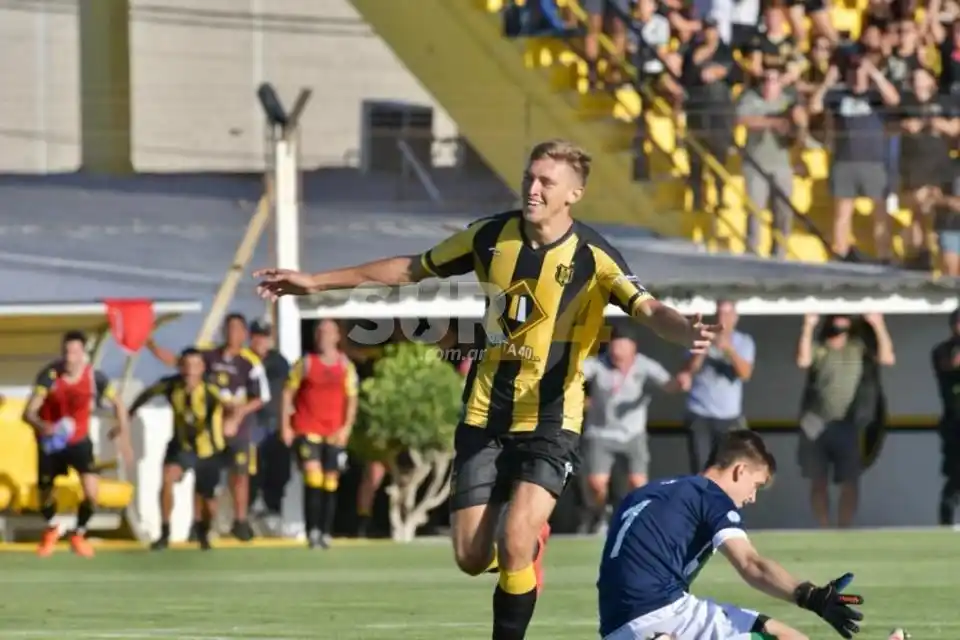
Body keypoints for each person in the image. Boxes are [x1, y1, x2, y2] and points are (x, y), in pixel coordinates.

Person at [254, 138, 721, 640]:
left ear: (573, 194)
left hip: (551, 419)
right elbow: (411, 269)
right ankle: (526, 541)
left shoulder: (594, 256)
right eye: (530, 177)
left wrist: (683, 330)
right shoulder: (490, 236)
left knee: (515, 540)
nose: (533, 188)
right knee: (472, 557)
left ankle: (521, 563)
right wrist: (317, 283)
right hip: (484, 416)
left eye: (547, 181)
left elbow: (650, 310)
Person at [596, 430, 865, 640]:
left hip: (614, 624)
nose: (752, 497)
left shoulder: (649, 491)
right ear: (739, 470)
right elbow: (751, 565)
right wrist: (810, 596)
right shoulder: (711, 496)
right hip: (660, 613)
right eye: (756, 485)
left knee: (777, 632)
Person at [147, 313, 270, 541]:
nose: (232, 333)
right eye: (229, 328)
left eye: (237, 329)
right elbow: (178, 362)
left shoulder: (249, 362)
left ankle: (240, 521)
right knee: (202, 476)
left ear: (244, 334)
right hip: (207, 430)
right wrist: (151, 345)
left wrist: (237, 416)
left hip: (237, 429)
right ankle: (198, 525)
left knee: (240, 473)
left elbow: (261, 397)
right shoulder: (208, 355)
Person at [22, 331, 132, 558]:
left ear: (83, 354)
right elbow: (29, 412)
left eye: (74, 352)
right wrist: (43, 426)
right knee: (44, 494)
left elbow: (119, 404)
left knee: (92, 493)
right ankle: (52, 529)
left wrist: (122, 430)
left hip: (79, 442)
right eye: (66, 352)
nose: (70, 358)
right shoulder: (50, 376)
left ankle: (78, 534)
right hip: (51, 444)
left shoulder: (95, 378)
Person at [130, 348, 236, 550]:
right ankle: (164, 531)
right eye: (186, 365)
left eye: (195, 366)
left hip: (209, 451)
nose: (189, 371)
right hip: (181, 447)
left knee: (208, 502)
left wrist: (232, 419)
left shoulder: (210, 389)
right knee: (168, 477)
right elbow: (146, 394)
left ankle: (203, 530)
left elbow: (230, 405)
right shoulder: (171, 385)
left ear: (202, 368)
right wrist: (126, 418)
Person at [580, 325, 682, 533]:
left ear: (632, 349)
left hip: (633, 434)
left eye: (622, 349)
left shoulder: (645, 366)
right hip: (600, 433)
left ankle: (635, 521)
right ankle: (600, 515)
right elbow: (576, 374)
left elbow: (669, 384)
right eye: (614, 349)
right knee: (596, 484)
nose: (618, 355)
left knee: (638, 483)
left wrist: (680, 382)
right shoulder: (598, 364)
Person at [282, 319, 359, 549]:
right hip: (307, 428)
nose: (323, 337)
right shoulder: (305, 363)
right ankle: (312, 531)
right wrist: (286, 425)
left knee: (330, 481)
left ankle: (325, 531)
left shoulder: (346, 366)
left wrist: (346, 428)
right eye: (320, 332)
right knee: (313, 477)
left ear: (337, 336)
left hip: (334, 432)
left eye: (328, 332)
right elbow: (288, 394)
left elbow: (352, 400)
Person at [677, 300, 755, 473]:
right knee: (702, 470)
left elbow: (745, 374)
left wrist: (729, 350)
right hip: (700, 414)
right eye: (719, 314)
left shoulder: (744, 341)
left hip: (729, 416)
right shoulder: (699, 337)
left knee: (729, 469)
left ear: (735, 317)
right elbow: (689, 370)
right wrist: (703, 347)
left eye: (727, 314)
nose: (723, 319)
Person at [247, 319, 291, 534]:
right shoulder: (244, 360)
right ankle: (248, 512)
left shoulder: (279, 362)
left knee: (278, 469)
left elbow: (286, 393)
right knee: (251, 470)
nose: (260, 340)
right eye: (256, 335)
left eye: (264, 336)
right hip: (251, 422)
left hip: (275, 423)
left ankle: (273, 512)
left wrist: (287, 424)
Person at [933, 308, 960, 525]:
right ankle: (945, 525)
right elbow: (952, 364)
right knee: (955, 478)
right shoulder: (943, 350)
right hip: (955, 425)